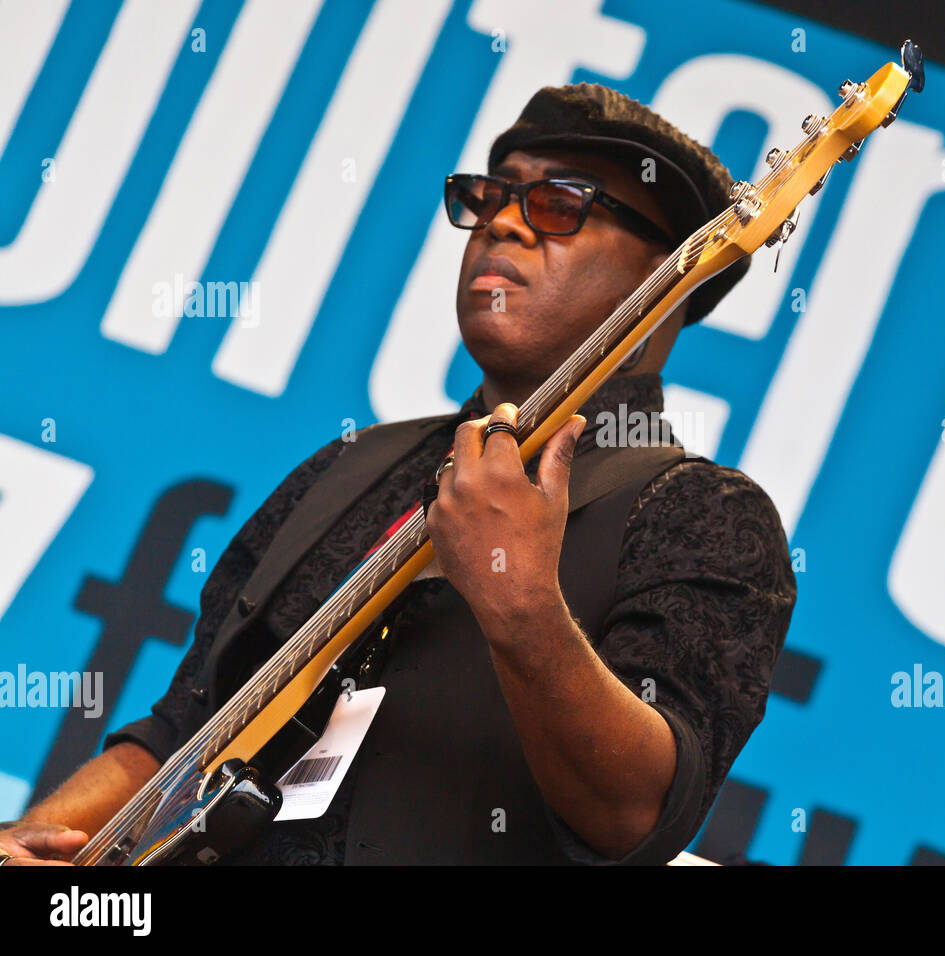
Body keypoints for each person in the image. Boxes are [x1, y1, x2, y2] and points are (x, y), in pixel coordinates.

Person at [1, 82, 796, 866]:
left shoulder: (704, 516)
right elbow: (184, 729)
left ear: (670, 277)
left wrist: (518, 598)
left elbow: (636, 813)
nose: (503, 226)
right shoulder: (348, 467)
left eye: (557, 204)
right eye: (488, 199)